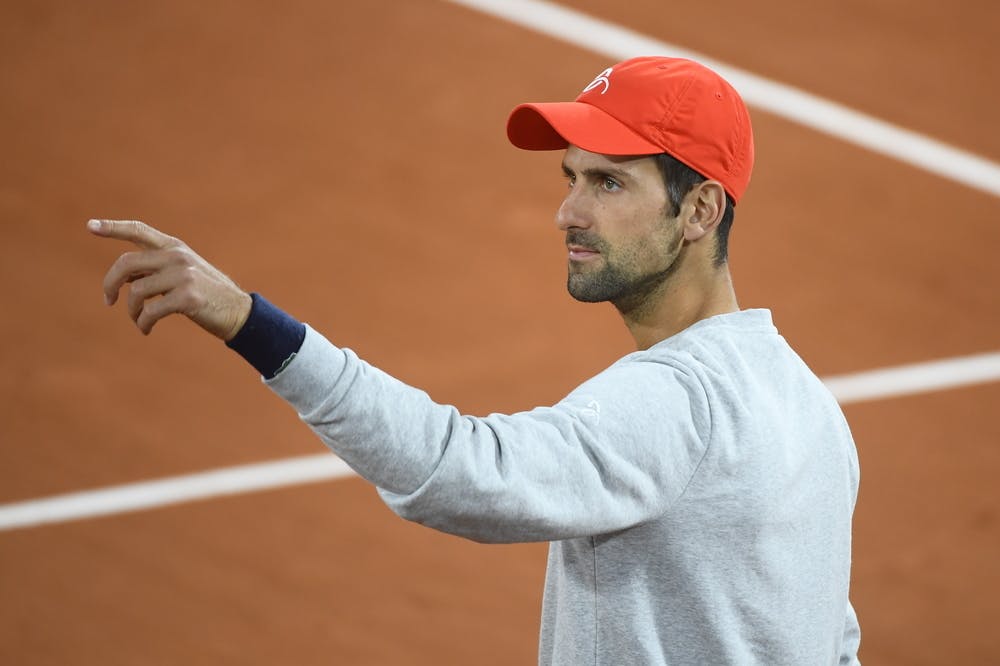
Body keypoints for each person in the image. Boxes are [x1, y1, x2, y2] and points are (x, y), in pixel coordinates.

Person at [89, 56, 861, 665]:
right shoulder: (809, 407)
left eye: (609, 182)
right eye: (571, 177)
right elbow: (831, 642)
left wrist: (249, 323)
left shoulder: (671, 405)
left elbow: (462, 470)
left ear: (699, 210)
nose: (568, 211)